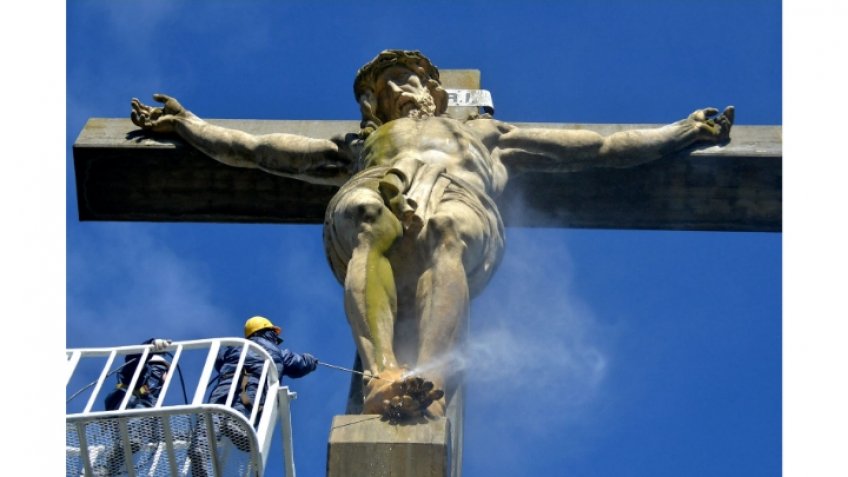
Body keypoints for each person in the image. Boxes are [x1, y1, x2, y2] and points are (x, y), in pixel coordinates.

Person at [130, 49, 734, 420]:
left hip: (459, 201)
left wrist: (680, 130)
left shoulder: (488, 135)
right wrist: (189, 125)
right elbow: (259, 150)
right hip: (377, 192)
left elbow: (600, 147)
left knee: (447, 228)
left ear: (434, 90)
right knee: (368, 215)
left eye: (406, 78)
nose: (395, 88)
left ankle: (434, 374)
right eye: (383, 85)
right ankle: (384, 370)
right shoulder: (360, 142)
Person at [188, 315, 317, 476]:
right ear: (268, 331)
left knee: (213, 414)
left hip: (226, 383)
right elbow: (299, 365)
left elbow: (219, 360)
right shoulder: (276, 351)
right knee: (241, 412)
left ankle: (200, 448)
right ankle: (235, 427)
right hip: (252, 387)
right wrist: (310, 360)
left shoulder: (235, 346)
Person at [96, 338, 172, 476]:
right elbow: (134, 358)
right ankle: (102, 468)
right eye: (163, 371)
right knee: (130, 437)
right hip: (127, 404)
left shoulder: (154, 394)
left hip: (138, 414)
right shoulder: (142, 372)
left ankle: (106, 470)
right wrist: (151, 344)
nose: (165, 376)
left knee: (132, 439)